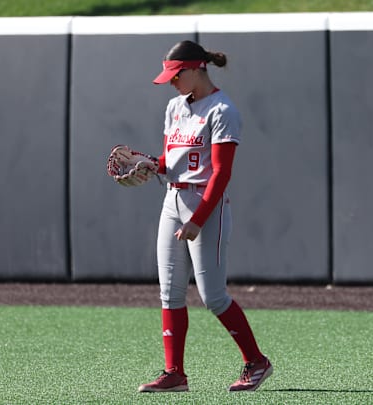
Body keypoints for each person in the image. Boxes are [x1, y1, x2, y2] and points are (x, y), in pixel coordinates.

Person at [137, 40, 273, 393]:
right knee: (170, 292)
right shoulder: (174, 107)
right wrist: (147, 166)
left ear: (197, 68)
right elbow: (168, 164)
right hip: (173, 199)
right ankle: (174, 374)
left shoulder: (223, 109)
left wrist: (198, 219)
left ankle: (257, 361)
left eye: (175, 74)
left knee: (213, 296)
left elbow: (221, 173)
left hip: (205, 205)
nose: (170, 82)